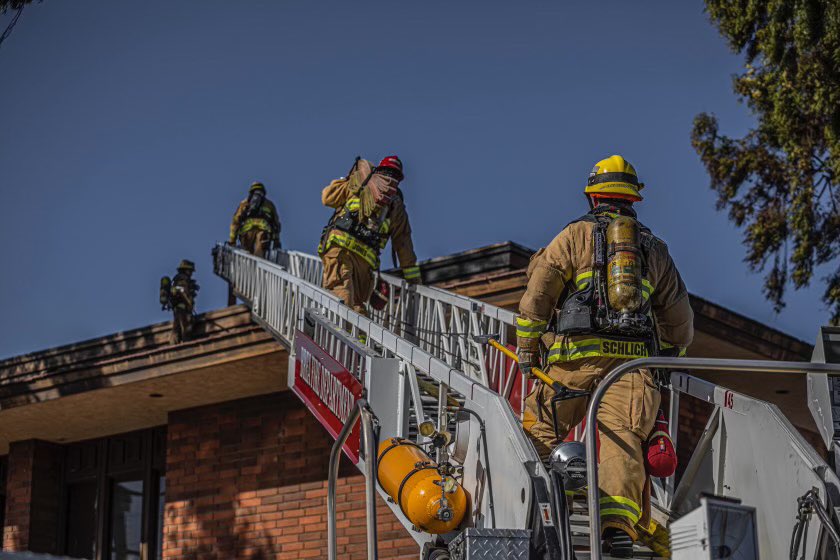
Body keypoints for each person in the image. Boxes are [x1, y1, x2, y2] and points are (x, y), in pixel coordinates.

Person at [515, 155, 694, 557]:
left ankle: (537, 506)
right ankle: (617, 529)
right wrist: (664, 360)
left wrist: (527, 349)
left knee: (540, 427)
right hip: (632, 368)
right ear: (634, 198)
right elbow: (680, 319)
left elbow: (537, 297)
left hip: (574, 360)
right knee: (623, 442)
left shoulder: (572, 236)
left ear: (593, 195)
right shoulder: (654, 249)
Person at [318, 156, 420, 315]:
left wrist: (346, 180)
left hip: (340, 250)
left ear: (378, 170)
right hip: (365, 261)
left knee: (340, 291)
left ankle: (341, 335)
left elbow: (327, 198)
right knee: (358, 304)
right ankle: (360, 338)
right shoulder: (396, 205)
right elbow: (403, 244)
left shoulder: (360, 182)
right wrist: (414, 280)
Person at [229, 181, 281, 258]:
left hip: (246, 232)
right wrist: (276, 240)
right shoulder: (270, 205)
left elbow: (235, 222)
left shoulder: (244, 203)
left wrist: (232, 240)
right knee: (259, 251)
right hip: (264, 231)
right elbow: (276, 225)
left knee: (247, 254)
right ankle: (259, 263)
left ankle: (248, 263)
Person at [164, 260, 200, 344]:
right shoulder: (182, 278)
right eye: (190, 271)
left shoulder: (179, 278)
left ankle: (173, 343)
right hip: (183, 308)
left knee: (177, 327)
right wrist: (189, 302)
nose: (191, 273)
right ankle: (187, 343)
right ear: (186, 269)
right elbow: (183, 292)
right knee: (186, 326)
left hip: (179, 308)